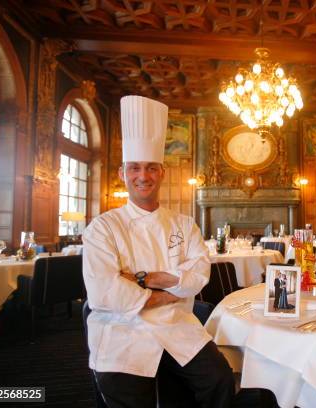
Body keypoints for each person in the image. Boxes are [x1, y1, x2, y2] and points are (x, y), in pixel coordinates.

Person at [82, 95, 235, 408]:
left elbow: (198, 277)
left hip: (176, 325)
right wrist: (170, 289)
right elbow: (103, 294)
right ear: (123, 174)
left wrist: (142, 278)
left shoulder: (184, 223)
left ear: (162, 172)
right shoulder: (103, 227)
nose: (143, 175)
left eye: (151, 168)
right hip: (122, 330)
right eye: (135, 168)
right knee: (127, 397)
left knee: (220, 380)